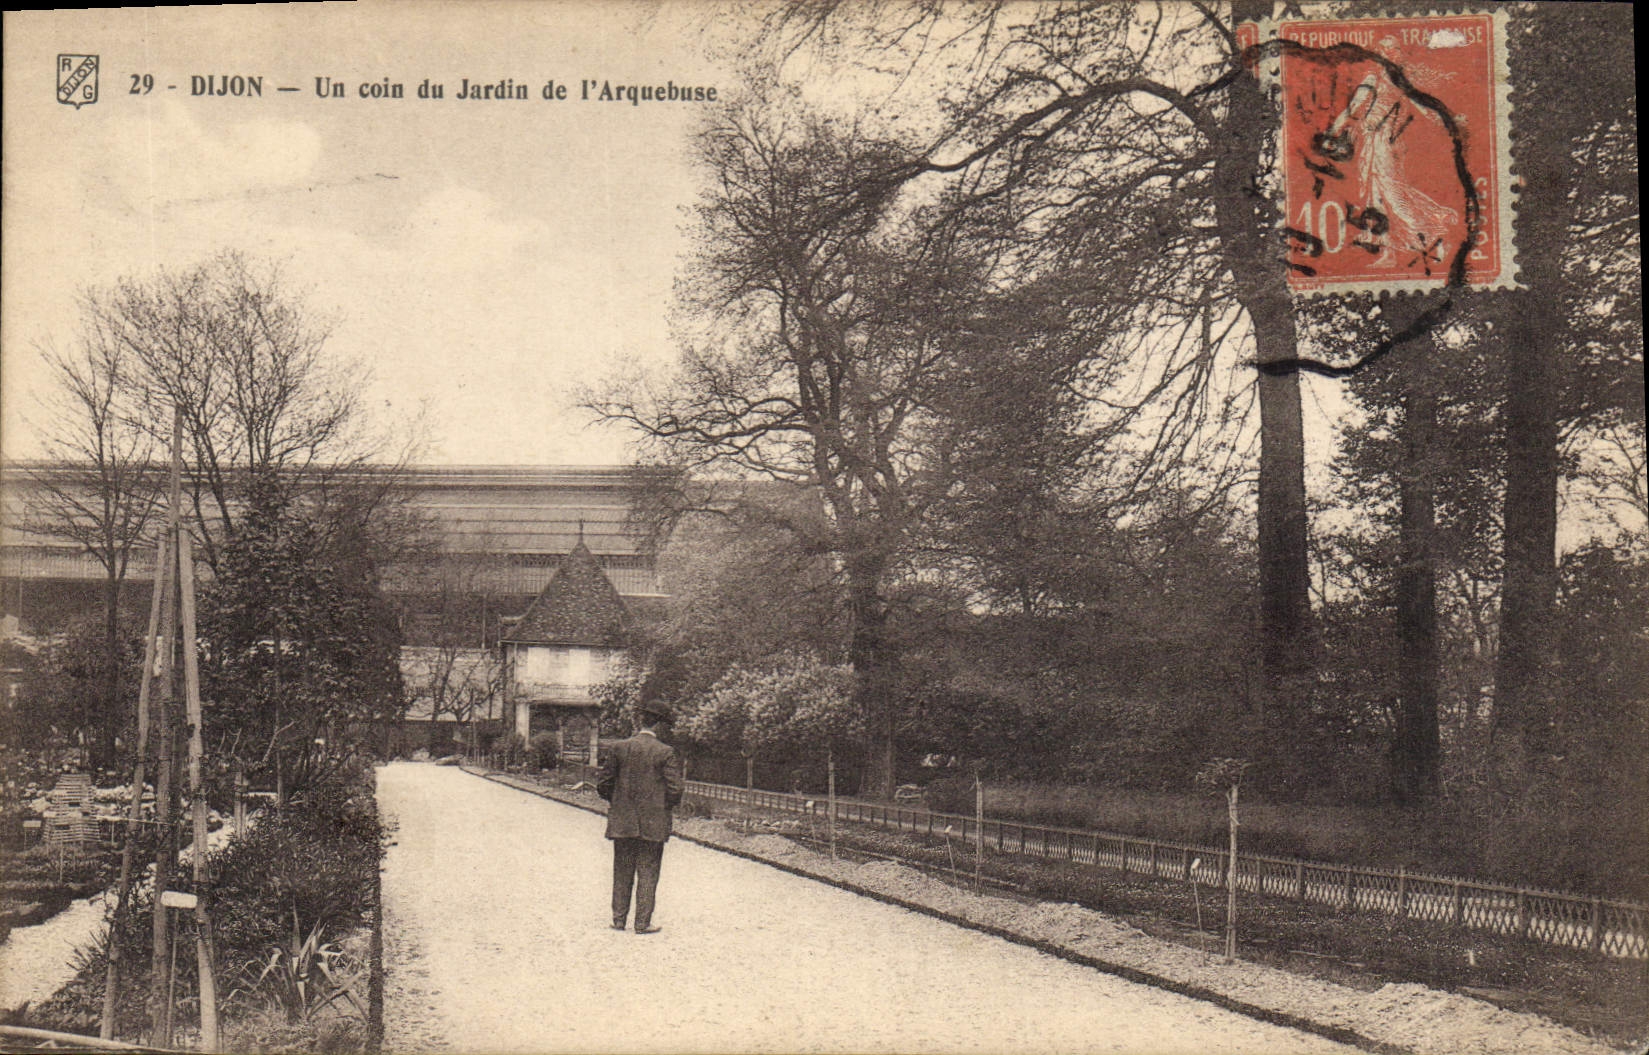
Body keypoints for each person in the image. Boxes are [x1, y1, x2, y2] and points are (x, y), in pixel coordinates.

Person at [596, 699, 684, 934]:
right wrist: (661, 808)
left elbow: (603, 785)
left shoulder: (619, 748)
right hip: (653, 824)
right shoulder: (665, 752)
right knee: (648, 872)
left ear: (642, 721)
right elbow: (676, 789)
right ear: (660, 725)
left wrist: (619, 803)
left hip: (623, 821)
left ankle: (618, 920)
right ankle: (642, 923)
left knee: (622, 870)